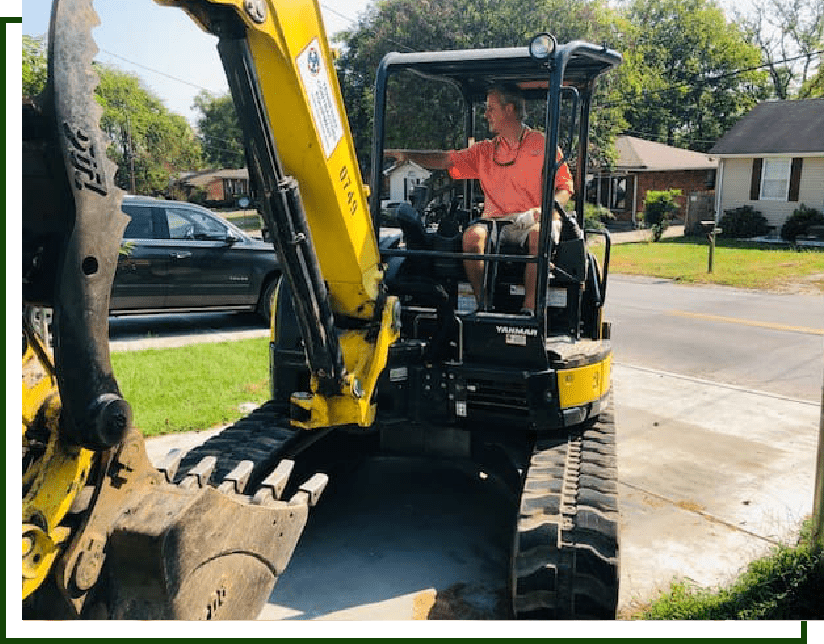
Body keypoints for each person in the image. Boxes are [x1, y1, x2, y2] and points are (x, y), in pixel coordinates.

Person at [386, 85, 573, 313]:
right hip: (497, 221)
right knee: (472, 238)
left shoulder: (542, 144)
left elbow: (564, 188)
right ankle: (484, 305)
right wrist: (408, 155)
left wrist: (544, 211)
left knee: (538, 235)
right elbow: (447, 160)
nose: (486, 115)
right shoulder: (485, 151)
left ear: (509, 109)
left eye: (490, 108)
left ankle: (530, 308)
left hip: (534, 218)